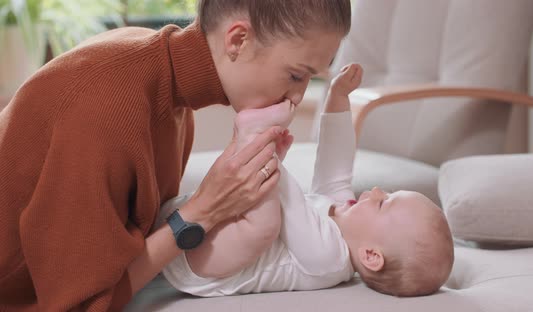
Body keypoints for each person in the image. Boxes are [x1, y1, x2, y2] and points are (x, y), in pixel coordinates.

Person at [0, 0, 351, 310]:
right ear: (238, 40)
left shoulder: (162, 82)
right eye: (294, 75)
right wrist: (200, 213)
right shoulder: (108, 105)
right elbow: (82, 304)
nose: (296, 98)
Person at [157, 64, 455, 297]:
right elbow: (335, 163)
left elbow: (291, 206)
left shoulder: (330, 260)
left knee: (265, 223)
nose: (376, 191)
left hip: (200, 264)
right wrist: (338, 98)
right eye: (388, 193)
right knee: (260, 205)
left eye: (383, 205)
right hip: (192, 222)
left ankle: (252, 137)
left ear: (371, 256)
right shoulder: (340, 212)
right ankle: (252, 139)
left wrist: (269, 155)